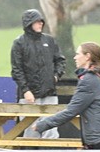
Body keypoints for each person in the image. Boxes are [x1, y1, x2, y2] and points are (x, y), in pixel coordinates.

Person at [32, 41, 100, 149]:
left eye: (78, 54)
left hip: (99, 140)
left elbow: (72, 111)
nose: (75, 57)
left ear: (87, 56)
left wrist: (43, 124)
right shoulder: (97, 76)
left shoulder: (89, 80)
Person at [12, 9, 66, 139]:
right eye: (36, 21)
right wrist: (25, 90)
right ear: (28, 24)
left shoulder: (50, 40)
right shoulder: (19, 43)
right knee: (31, 132)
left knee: (51, 132)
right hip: (29, 96)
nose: (40, 24)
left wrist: (56, 76)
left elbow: (60, 60)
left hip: (50, 94)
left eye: (41, 21)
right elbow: (16, 69)